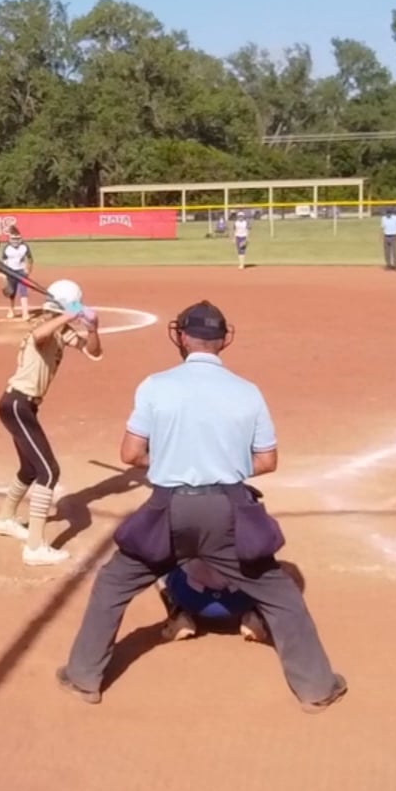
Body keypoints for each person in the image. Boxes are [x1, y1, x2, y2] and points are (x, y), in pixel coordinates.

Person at [57, 301, 347, 712]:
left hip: (166, 511)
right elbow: (267, 461)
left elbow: (130, 454)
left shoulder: (155, 385)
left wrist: (172, 460)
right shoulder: (247, 391)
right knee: (280, 594)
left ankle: (84, 677)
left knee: (113, 583)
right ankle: (316, 688)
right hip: (228, 510)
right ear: (223, 340)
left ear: (182, 336)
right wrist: (224, 463)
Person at [0, 281, 102, 566]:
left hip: (24, 407)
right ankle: (35, 547)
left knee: (30, 469)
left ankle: (5, 518)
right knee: (49, 472)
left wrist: (92, 329)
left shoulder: (61, 330)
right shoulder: (43, 325)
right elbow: (40, 336)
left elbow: (93, 352)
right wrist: (70, 314)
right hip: (16, 404)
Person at [158, 557, 271, 644]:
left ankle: (178, 613)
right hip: (240, 600)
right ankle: (254, 614)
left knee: (157, 559)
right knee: (265, 564)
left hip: (192, 600)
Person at [0, 228, 33, 321]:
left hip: (21, 272)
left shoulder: (24, 246)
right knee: (11, 292)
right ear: (10, 239)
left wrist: (28, 270)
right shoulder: (6, 248)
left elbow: (30, 259)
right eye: (13, 239)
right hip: (11, 272)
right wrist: (4, 274)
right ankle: (11, 309)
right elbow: (4, 261)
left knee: (23, 291)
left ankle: (25, 313)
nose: (15, 241)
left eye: (17, 239)